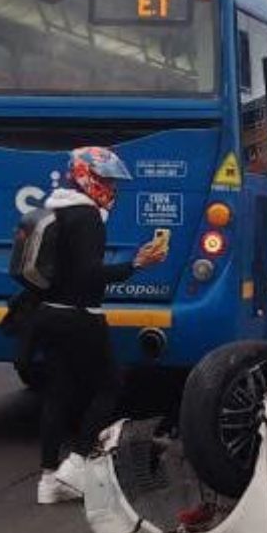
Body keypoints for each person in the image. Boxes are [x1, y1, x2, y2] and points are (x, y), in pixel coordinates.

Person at [31, 146, 168, 505]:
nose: (111, 187)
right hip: (81, 315)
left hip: (47, 313)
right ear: (86, 175)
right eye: (106, 179)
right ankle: (75, 465)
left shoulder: (53, 207)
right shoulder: (88, 216)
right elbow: (89, 275)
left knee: (57, 392)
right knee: (110, 385)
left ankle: (48, 480)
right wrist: (136, 264)